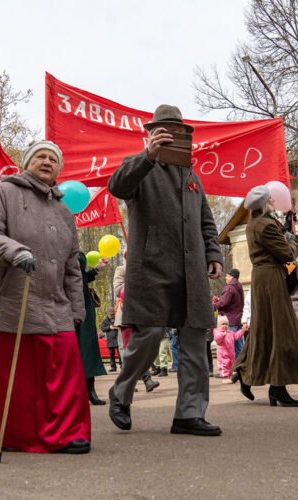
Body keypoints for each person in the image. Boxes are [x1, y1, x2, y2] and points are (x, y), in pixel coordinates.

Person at [0, 139, 90, 454]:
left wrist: (76, 309)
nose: (46, 161)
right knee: (7, 376)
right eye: (40, 156)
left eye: (53, 158)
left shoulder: (64, 212)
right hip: (10, 299)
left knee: (64, 373)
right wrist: (14, 251)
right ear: (27, 163)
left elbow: (72, 267)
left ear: (58, 169)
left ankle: (69, 432)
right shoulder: (4, 193)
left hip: (55, 304)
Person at [107, 104, 224, 436]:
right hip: (152, 268)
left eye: (178, 130)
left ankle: (189, 414)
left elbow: (206, 221)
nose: (172, 135)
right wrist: (148, 155)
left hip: (192, 272)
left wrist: (213, 254)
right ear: (152, 134)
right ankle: (121, 393)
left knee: (194, 339)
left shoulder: (192, 175)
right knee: (149, 334)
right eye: (164, 130)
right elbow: (117, 186)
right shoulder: (141, 165)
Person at [232, 185, 298, 407]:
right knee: (281, 332)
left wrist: (283, 231)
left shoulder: (255, 223)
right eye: (270, 199)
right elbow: (286, 254)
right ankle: (277, 386)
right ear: (264, 203)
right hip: (272, 279)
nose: (274, 202)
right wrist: (293, 241)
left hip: (263, 279)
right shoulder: (266, 225)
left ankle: (249, 374)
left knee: (265, 330)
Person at [113, 256, 159, 392]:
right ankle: (138, 381)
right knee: (130, 350)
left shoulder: (145, 271)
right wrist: (134, 278)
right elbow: (118, 290)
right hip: (126, 316)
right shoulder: (121, 269)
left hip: (142, 314)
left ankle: (141, 381)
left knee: (143, 349)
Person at [76, 252, 108, 405]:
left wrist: (97, 269)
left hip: (86, 307)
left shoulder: (74, 246)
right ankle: (76, 392)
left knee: (88, 349)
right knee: (73, 350)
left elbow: (82, 279)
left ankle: (90, 390)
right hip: (68, 305)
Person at [213, 268, 245, 358]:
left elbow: (223, 304)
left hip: (229, 320)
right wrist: (220, 300)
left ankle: (230, 365)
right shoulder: (239, 287)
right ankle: (240, 365)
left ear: (231, 277)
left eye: (227, 276)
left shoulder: (229, 288)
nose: (225, 278)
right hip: (238, 320)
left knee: (229, 346)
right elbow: (233, 302)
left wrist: (214, 305)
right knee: (239, 347)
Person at [213, 316, 243, 382]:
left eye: (226, 324)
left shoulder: (230, 332)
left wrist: (242, 331)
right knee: (224, 365)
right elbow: (217, 339)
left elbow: (235, 336)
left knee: (231, 365)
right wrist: (223, 335)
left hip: (231, 353)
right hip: (222, 354)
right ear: (218, 325)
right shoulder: (217, 332)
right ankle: (225, 377)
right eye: (223, 324)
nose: (225, 326)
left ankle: (229, 376)